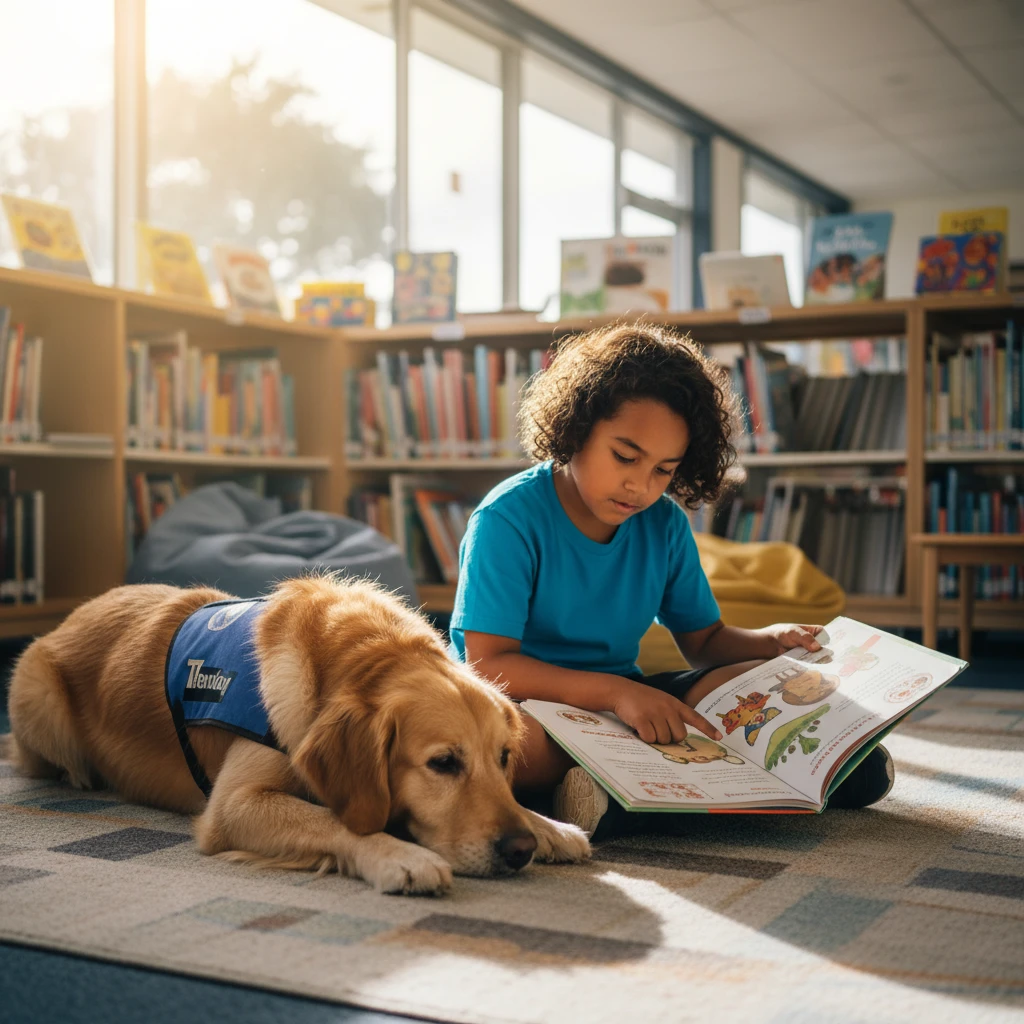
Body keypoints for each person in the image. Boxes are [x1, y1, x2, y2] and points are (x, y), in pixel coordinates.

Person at [449, 322, 894, 839]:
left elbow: (703, 642)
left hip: (628, 702)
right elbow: (489, 664)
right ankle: (612, 795)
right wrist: (615, 694)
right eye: (625, 456)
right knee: (507, 752)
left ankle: (618, 793)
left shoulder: (663, 523)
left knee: (748, 689)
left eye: (663, 469)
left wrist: (770, 643)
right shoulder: (507, 519)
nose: (640, 485)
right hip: (524, 706)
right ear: (575, 429)